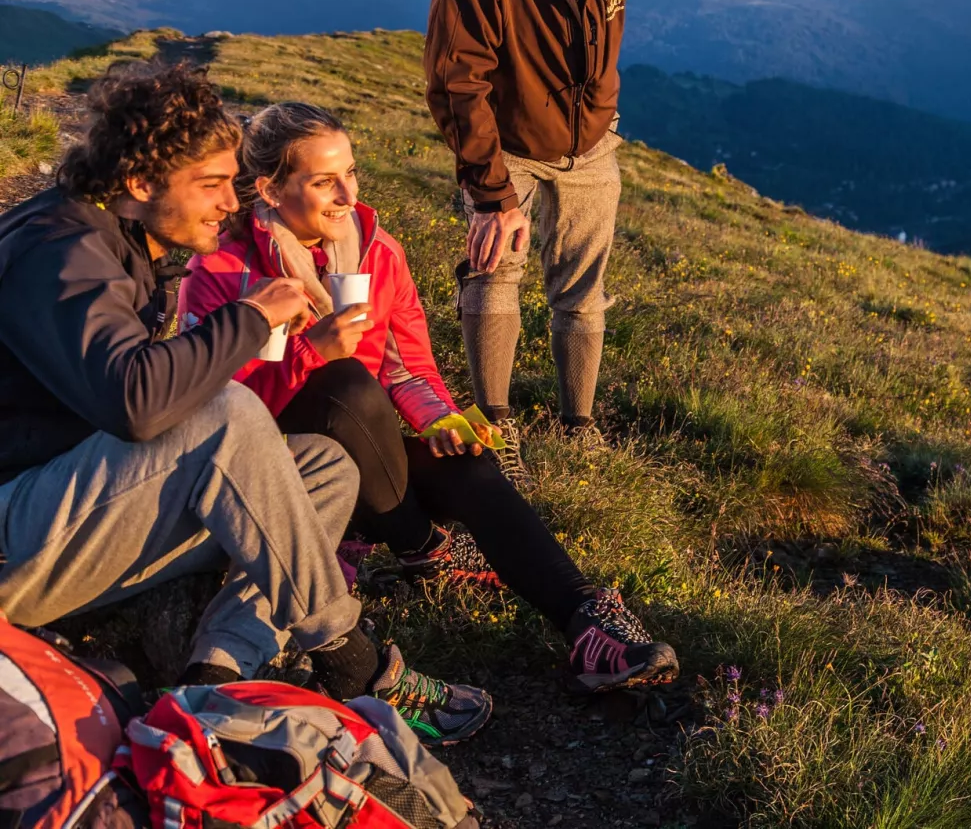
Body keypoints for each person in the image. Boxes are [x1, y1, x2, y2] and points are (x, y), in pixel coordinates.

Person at [0, 63, 491, 746]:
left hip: (77, 512)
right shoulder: (62, 250)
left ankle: (218, 681)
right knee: (225, 413)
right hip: (16, 540)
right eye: (208, 186)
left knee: (323, 468)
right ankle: (356, 660)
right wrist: (252, 319)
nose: (227, 205)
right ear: (140, 184)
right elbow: (137, 403)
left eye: (229, 185)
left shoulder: (119, 243)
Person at [426, 0, 920, 459]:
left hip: (591, 141)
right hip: (509, 143)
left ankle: (579, 428)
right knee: (494, 272)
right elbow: (457, 79)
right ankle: (495, 426)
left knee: (581, 288)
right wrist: (490, 196)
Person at [178, 101, 678, 692]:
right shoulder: (222, 269)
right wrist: (312, 351)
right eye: (323, 181)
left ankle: (585, 621)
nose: (347, 194)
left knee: (466, 460)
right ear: (270, 188)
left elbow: (409, 367)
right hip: (283, 471)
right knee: (344, 383)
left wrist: (441, 420)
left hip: (371, 458)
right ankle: (419, 545)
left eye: (351, 173)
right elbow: (217, 407)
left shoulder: (375, 251)